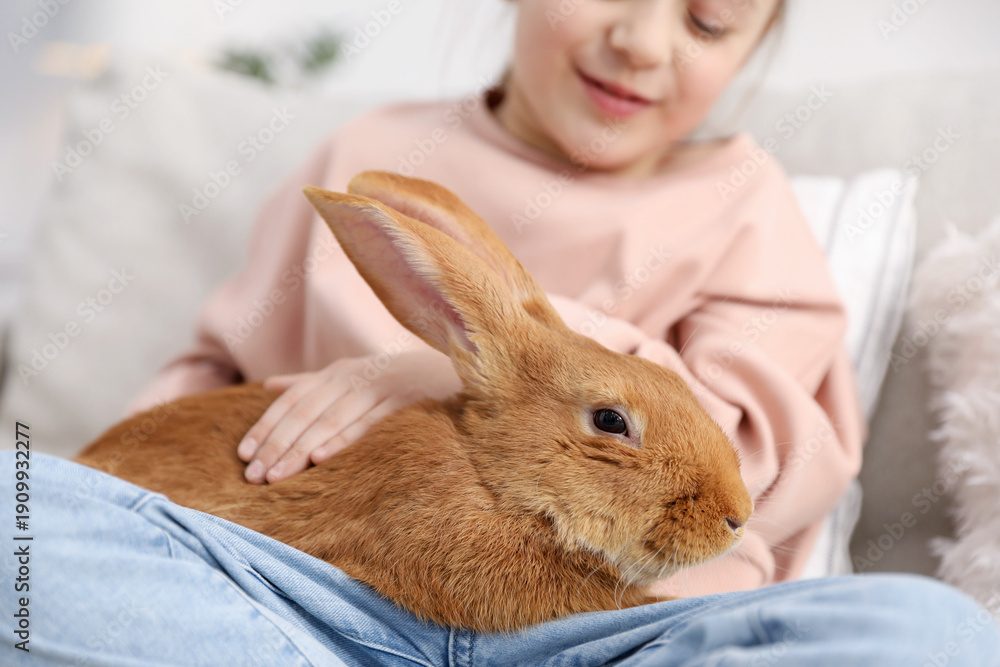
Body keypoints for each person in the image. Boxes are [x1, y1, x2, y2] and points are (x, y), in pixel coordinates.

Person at [4, 0, 997, 664]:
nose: (644, 43)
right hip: (312, 601)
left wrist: (436, 368)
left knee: (935, 635)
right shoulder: (373, 153)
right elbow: (204, 390)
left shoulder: (746, 205)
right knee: (20, 520)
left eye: (707, 20)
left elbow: (756, 470)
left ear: (751, 41)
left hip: (622, 631)